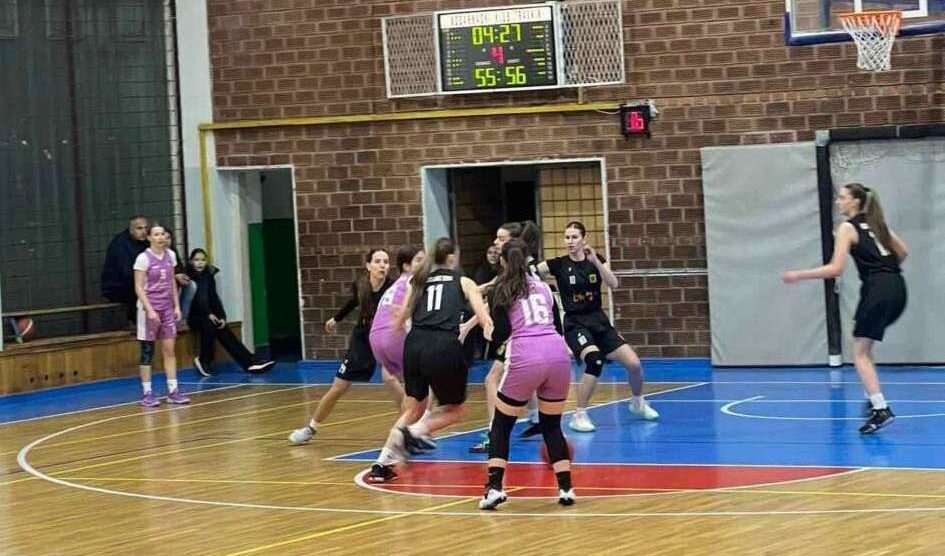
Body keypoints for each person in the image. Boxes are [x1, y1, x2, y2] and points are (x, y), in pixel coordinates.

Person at [783, 183, 908, 434]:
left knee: (859, 353)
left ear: (855, 202)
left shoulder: (847, 227)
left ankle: (881, 409)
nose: (838, 202)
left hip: (877, 289)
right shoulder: (876, 223)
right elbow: (903, 251)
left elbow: (835, 269)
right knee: (865, 345)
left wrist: (798, 275)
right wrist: (885, 268)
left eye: (842, 198)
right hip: (897, 287)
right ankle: (871, 397)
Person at [367, 237, 493, 482]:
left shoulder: (419, 280)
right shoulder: (464, 281)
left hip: (414, 345)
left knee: (414, 407)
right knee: (455, 411)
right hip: (443, 345)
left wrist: (397, 323)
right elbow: (482, 314)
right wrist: (489, 327)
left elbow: (402, 316)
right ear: (452, 258)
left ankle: (381, 463)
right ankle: (414, 433)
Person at [479, 239, 575, 509]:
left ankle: (494, 488)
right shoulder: (544, 287)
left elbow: (502, 333)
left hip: (526, 355)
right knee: (551, 425)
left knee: (501, 424)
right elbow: (557, 326)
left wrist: (488, 332)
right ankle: (566, 488)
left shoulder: (501, 288)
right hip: (557, 353)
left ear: (502, 261)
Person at [536, 221, 658, 432]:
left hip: (599, 321)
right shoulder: (558, 264)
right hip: (576, 324)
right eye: (567, 237)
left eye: (574, 237)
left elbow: (613, 284)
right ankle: (579, 415)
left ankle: (637, 402)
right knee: (594, 360)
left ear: (584, 239)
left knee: (634, 364)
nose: (570, 241)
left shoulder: (596, 259)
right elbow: (532, 272)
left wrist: (596, 262)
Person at [288, 248, 401, 444]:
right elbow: (352, 302)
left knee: (392, 379)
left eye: (385, 261)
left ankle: (411, 426)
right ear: (368, 266)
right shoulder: (361, 285)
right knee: (338, 386)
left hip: (386, 338)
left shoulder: (394, 288)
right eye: (377, 261)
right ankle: (311, 428)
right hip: (362, 339)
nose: (382, 265)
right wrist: (336, 319)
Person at [186, 249, 275, 376]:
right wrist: (208, 314)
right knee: (209, 324)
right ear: (191, 262)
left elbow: (214, 298)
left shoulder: (208, 277)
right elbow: (197, 301)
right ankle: (204, 359)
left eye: (203, 260)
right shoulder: (188, 277)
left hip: (208, 315)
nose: (200, 263)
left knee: (221, 327)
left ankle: (250, 362)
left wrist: (221, 316)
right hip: (193, 315)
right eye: (196, 260)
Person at [134, 222, 188, 407]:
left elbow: (172, 282)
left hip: (166, 308)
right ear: (149, 237)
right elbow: (138, 287)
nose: (161, 237)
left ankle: (173, 391)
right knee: (147, 351)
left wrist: (176, 306)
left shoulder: (170, 255)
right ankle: (147, 393)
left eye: (163, 234)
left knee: (169, 350)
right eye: (156, 234)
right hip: (148, 309)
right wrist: (149, 309)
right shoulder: (143, 258)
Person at [101, 216, 149, 323]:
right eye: (139, 228)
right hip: (117, 286)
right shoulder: (120, 244)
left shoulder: (145, 241)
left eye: (146, 228)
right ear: (131, 230)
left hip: (134, 282)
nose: (144, 232)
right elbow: (126, 272)